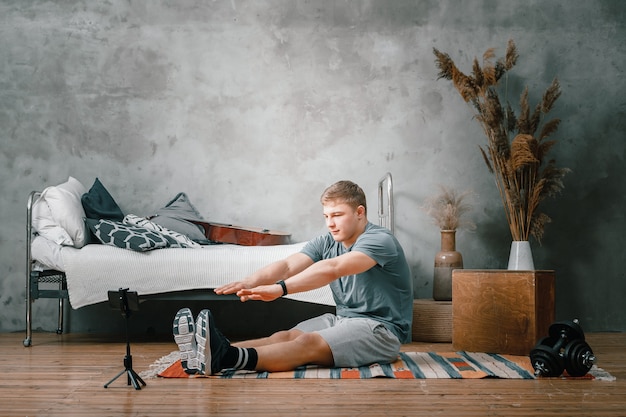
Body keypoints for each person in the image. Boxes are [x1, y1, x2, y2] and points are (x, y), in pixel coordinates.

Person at [172, 180, 413, 375]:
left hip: (381, 330)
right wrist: (250, 281)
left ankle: (227, 358)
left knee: (306, 344)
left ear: (360, 212)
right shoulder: (328, 240)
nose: (330, 223)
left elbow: (334, 268)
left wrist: (280, 289)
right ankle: (207, 352)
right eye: (326, 216)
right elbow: (288, 265)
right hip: (344, 319)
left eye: (337, 215)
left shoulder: (379, 240)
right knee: (284, 337)